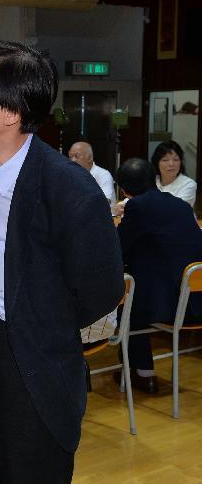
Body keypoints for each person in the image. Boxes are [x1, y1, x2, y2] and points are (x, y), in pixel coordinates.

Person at [0, 41, 124, 482]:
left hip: (35, 356)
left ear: (12, 112)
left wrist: (41, 321)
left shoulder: (68, 189)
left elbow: (102, 289)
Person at [114, 157, 202, 392]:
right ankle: (133, 369)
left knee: (127, 305)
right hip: (194, 302)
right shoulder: (181, 206)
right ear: (154, 179)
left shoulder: (137, 207)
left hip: (168, 307)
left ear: (124, 189)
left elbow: (118, 247)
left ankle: (144, 373)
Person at [152, 140, 197, 208]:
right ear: (157, 163)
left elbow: (176, 210)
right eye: (165, 160)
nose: (171, 164)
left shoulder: (188, 184)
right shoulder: (150, 181)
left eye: (176, 159)